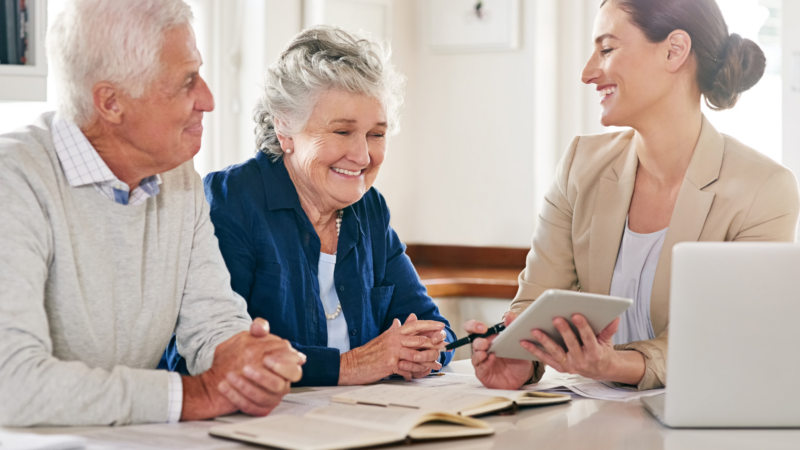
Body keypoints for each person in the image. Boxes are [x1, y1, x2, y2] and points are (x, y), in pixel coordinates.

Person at [0, 0, 305, 427]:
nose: (208, 99)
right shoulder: (13, 179)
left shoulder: (177, 175)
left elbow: (212, 320)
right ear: (111, 103)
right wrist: (196, 395)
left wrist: (246, 360)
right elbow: (11, 384)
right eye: (186, 81)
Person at [467, 0, 800, 391]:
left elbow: (725, 340)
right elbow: (534, 306)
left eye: (607, 49)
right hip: (592, 413)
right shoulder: (580, 165)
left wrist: (616, 364)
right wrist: (521, 358)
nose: (588, 72)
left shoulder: (764, 189)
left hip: (701, 414)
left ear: (674, 51)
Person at [164, 26, 455, 386]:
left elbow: (434, 327)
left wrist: (424, 350)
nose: (363, 156)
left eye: (376, 134)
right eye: (342, 131)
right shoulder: (232, 200)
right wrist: (351, 366)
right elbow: (206, 355)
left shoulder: (370, 209)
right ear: (285, 129)